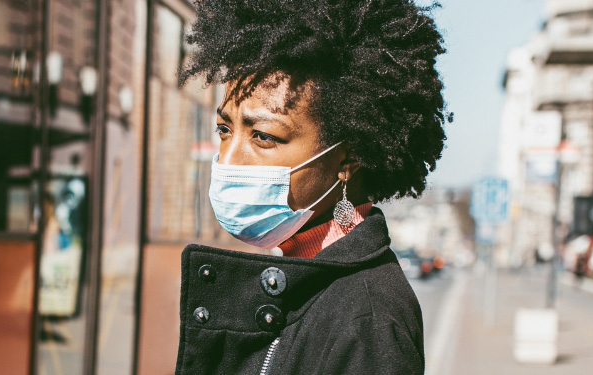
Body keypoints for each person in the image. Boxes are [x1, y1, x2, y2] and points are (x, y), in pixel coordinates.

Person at [175, 0, 448, 374]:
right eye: (225, 130)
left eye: (264, 136)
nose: (230, 159)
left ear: (348, 158)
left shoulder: (367, 322)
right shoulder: (301, 273)